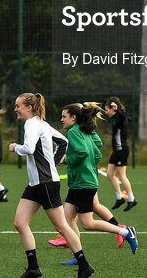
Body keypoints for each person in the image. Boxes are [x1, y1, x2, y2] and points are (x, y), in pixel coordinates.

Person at [9, 92, 94, 278]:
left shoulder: (31, 124)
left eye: (18, 105)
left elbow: (29, 149)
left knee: (61, 225)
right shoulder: (42, 123)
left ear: (29, 107)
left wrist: (15, 147)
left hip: (46, 183)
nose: (15, 109)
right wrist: (52, 163)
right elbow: (63, 142)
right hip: (36, 183)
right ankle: (33, 269)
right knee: (20, 223)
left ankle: (84, 266)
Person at [58, 101, 138, 265]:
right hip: (79, 182)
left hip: (83, 183)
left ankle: (125, 232)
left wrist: (66, 160)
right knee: (67, 220)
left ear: (73, 118)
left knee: (87, 223)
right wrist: (87, 165)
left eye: (64, 116)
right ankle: (78, 256)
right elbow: (97, 152)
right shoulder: (83, 130)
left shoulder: (73, 132)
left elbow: (81, 152)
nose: (61, 120)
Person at [104, 97, 137, 211]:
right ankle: (120, 198)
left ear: (113, 108)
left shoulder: (120, 117)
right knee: (109, 174)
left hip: (121, 149)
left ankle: (132, 199)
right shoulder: (115, 118)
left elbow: (124, 116)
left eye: (107, 109)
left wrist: (117, 109)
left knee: (122, 176)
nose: (106, 112)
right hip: (116, 151)